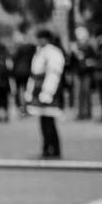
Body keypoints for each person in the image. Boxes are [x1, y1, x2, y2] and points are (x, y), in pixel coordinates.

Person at [25, 28, 65, 159]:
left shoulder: (52, 53)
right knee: (44, 122)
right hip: (39, 89)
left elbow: (53, 73)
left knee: (49, 123)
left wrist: (47, 92)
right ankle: (47, 148)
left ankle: (52, 149)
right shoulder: (40, 52)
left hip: (47, 92)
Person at [70, 26, 96, 120]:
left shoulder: (89, 47)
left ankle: (87, 113)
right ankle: (81, 113)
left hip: (87, 73)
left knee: (86, 93)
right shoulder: (75, 47)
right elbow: (71, 62)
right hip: (78, 73)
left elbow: (93, 59)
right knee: (79, 94)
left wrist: (84, 58)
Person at [12, 24, 37, 117]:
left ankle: (19, 107)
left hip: (18, 71)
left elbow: (15, 59)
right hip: (27, 71)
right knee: (27, 90)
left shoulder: (19, 47)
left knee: (19, 90)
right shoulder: (31, 47)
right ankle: (26, 107)